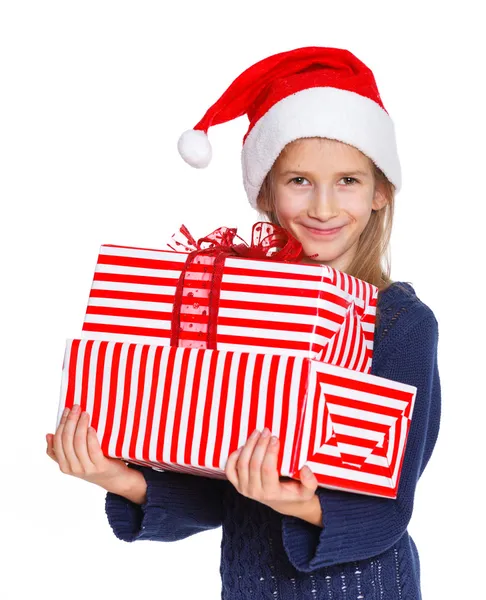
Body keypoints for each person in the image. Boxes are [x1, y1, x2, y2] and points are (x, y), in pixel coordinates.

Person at [46, 46, 441, 599]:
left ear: (380, 192)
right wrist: (114, 475)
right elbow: (216, 486)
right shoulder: (243, 306)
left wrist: (291, 498)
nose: (323, 207)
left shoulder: (399, 321)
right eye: (299, 180)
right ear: (266, 192)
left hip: (363, 588)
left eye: (347, 180)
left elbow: (389, 510)